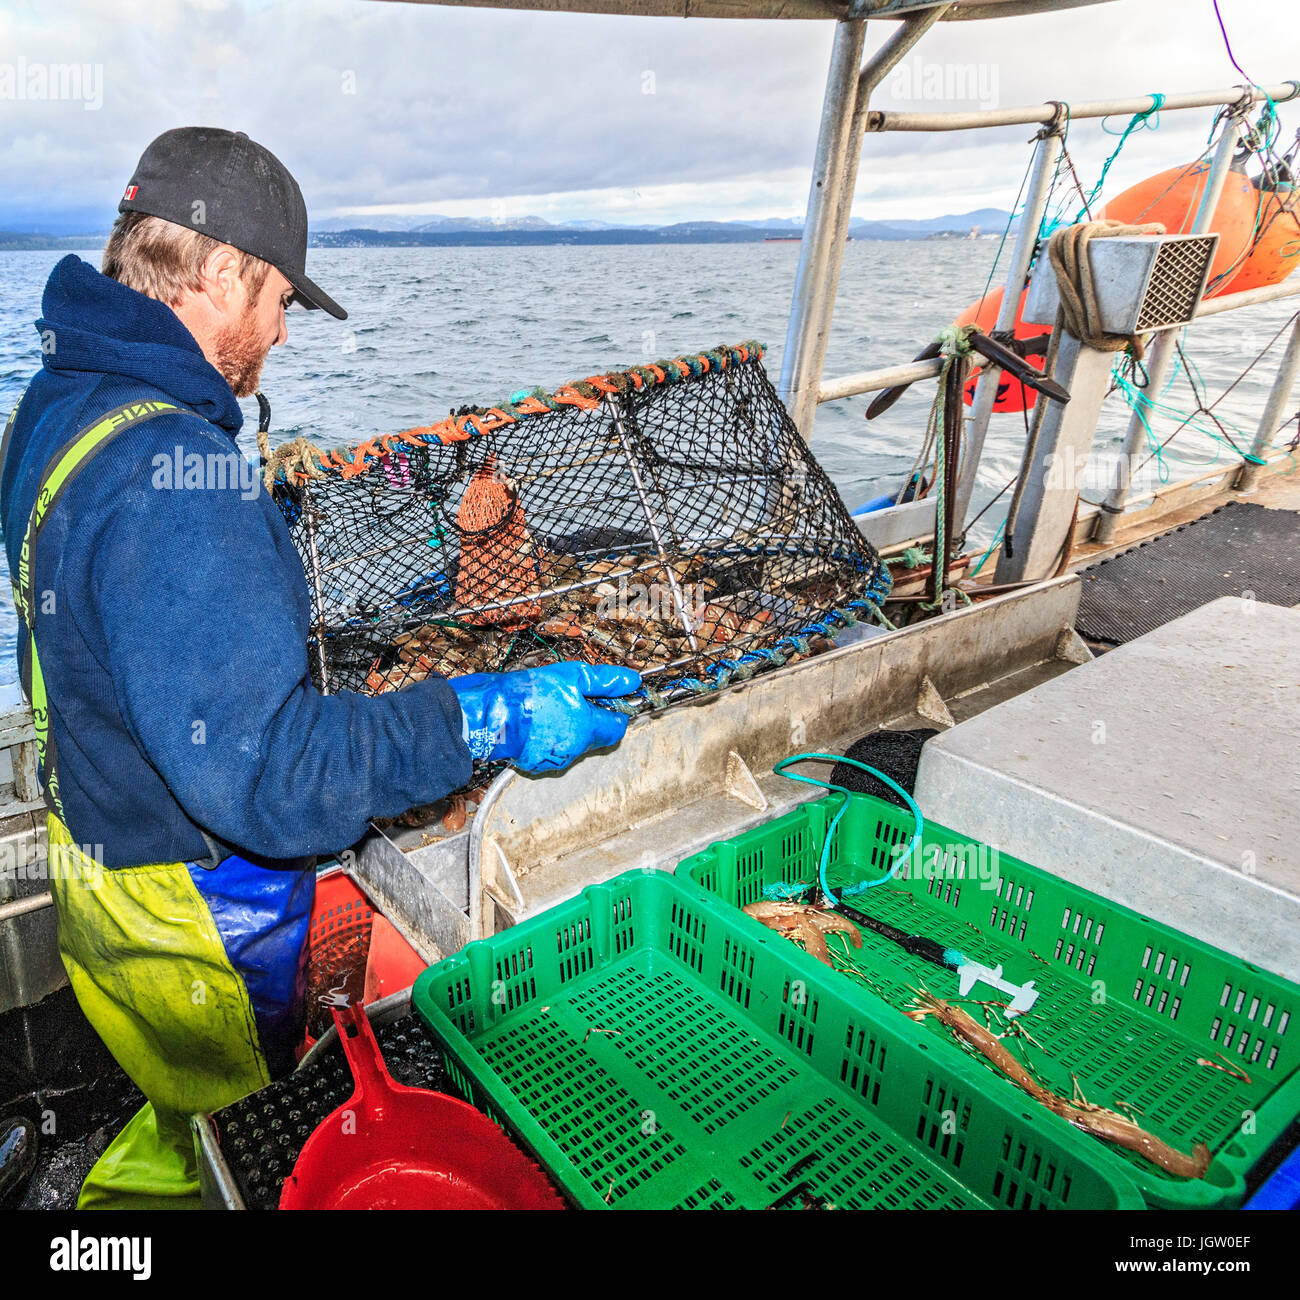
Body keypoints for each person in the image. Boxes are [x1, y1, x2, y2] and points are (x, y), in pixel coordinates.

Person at [0, 127, 639, 1210]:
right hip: (196, 912)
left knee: (184, 1102)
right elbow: (278, 782)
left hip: (98, 856)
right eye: (279, 298)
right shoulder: (177, 477)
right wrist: (486, 713)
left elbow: (112, 601)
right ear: (216, 273)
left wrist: (245, 556)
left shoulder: (62, 399)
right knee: (243, 1142)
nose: (284, 331)